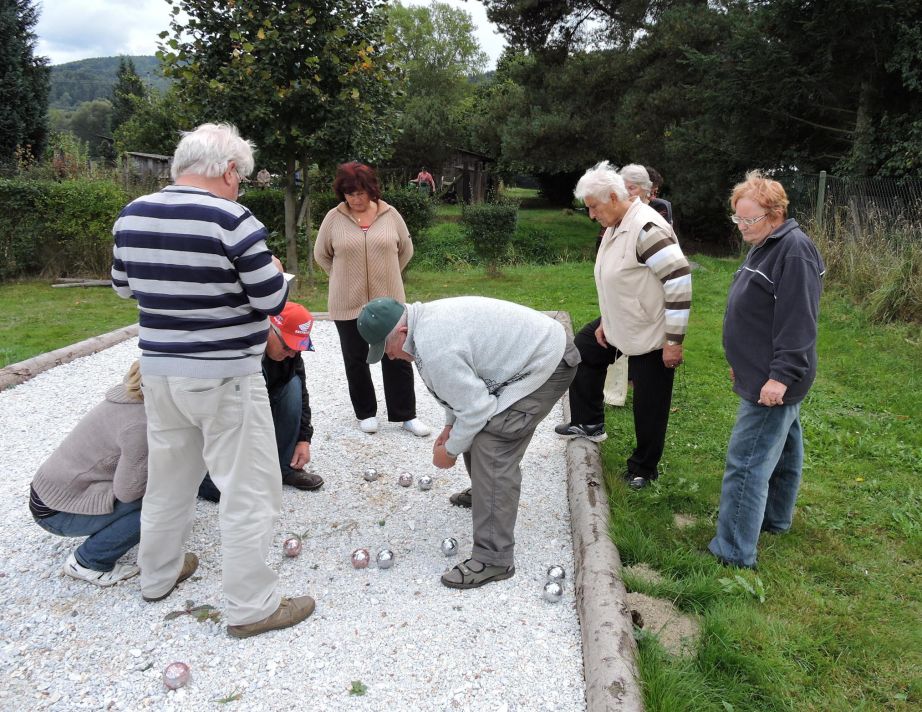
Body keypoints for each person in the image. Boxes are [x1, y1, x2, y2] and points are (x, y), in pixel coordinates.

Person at [111, 122, 314, 638]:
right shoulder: (233, 219)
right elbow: (273, 301)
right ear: (227, 170)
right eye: (240, 178)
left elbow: (122, 288)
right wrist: (270, 268)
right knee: (249, 490)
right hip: (224, 374)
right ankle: (252, 607)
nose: (239, 187)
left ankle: (157, 575)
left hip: (157, 371)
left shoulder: (131, 214)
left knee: (169, 480)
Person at [357, 296, 580, 589]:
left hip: (548, 361)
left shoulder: (434, 346)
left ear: (400, 333)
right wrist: (450, 426)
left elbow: (476, 410)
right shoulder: (421, 327)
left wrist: (448, 453)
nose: (390, 357)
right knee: (475, 430)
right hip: (531, 353)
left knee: (493, 442)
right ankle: (487, 494)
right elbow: (463, 388)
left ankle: (493, 559)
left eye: (386, 349)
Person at [708, 171, 825, 569]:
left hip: (772, 381)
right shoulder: (766, 243)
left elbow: (798, 322)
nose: (741, 227)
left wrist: (779, 376)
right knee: (786, 449)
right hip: (760, 372)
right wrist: (743, 363)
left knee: (746, 464)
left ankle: (733, 551)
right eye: (737, 219)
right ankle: (775, 519)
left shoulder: (793, 252)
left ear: (775, 213)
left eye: (749, 220)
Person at [556, 161, 692, 490]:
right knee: (582, 351)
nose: (591, 215)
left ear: (615, 197)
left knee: (650, 403)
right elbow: (617, 279)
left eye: (593, 207)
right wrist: (606, 319)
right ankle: (589, 423)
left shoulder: (646, 228)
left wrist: (673, 340)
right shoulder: (616, 223)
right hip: (621, 323)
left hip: (651, 331)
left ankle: (644, 468)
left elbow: (678, 278)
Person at [314, 161, 431, 438]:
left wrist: (389, 275)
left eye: (360, 192)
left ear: (371, 190)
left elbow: (406, 250)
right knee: (355, 358)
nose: (355, 199)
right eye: (349, 193)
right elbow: (322, 254)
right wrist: (341, 276)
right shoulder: (333, 218)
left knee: (398, 355)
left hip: (389, 302)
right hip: (347, 301)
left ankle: (406, 415)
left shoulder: (391, 215)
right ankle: (365, 413)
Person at [30, 361, 146, 587]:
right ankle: (89, 562)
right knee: (160, 504)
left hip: (48, 492)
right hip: (57, 513)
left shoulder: (126, 395)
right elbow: (127, 492)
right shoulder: (141, 425)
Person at [197, 301, 322, 502]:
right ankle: (204, 476)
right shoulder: (241, 346)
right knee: (221, 492)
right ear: (270, 328)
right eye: (287, 346)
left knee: (295, 385)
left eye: (297, 348)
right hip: (227, 415)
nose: (291, 353)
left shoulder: (291, 355)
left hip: (266, 402)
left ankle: (283, 467)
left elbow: (303, 396)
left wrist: (303, 439)